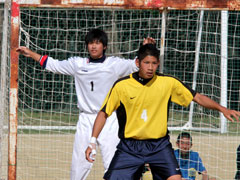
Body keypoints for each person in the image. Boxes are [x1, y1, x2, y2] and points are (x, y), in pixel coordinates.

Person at [85, 43, 240, 180]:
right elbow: (103, 113)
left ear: (158, 63)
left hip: (159, 146)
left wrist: (222, 109)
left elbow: (197, 97)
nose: (150, 67)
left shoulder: (168, 83)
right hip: (130, 147)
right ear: (138, 63)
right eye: (146, 63)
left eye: (154, 63)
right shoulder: (122, 85)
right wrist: (92, 142)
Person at [16, 28, 155, 180]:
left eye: (97, 43)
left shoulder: (114, 64)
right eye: (90, 43)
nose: (93, 46)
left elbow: (137, 64)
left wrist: (145, 49)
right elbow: (54, 65)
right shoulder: (77, 64)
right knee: (78, 167)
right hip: (86, 120)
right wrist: (31, 54)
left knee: (114, 165)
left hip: (109, 120)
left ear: (105, 46)